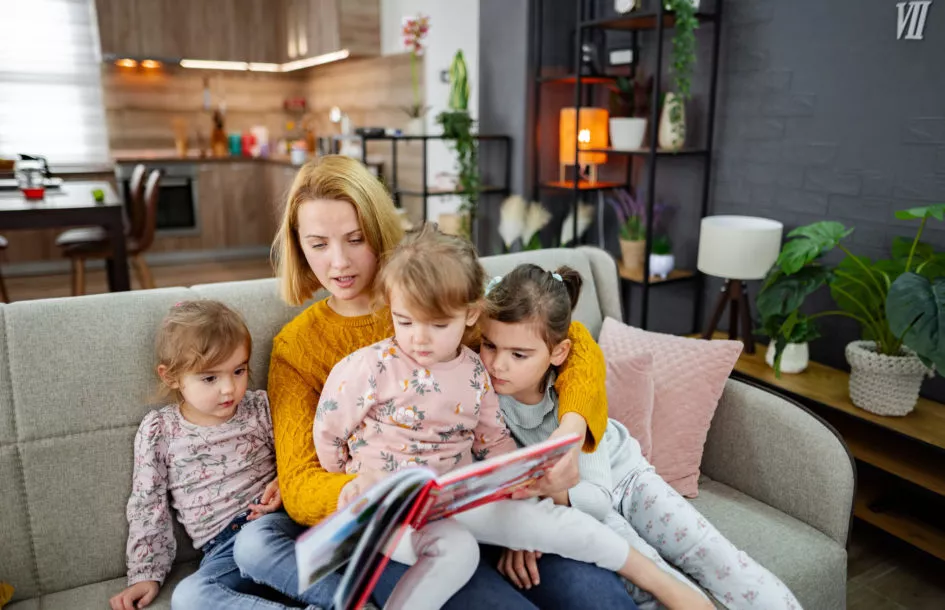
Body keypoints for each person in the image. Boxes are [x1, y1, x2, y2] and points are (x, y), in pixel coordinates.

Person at [233, 155, 640, 609]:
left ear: (379, 230)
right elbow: (301, 483)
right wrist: (366, 489)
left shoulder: (439, 293)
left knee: (606, 601)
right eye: (318, 244)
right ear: (298, 247)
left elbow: (574, 340)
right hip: (397, 524)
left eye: (355, 238)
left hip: (481, 501)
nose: (340, 261)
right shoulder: (297, 347)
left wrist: (570, 430)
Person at [314, 225, 705, 610]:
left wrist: (513, 480)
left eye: (437, 325)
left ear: (471, 315)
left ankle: (662, 584)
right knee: (457, 552)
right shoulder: (369, 368)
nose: (419, 338)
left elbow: (494, 439)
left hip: (460, 497)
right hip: (391, 506)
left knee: (554, 523)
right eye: (405, 321)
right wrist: (351, 478)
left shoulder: (475, 369)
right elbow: (329, 433)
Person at [480, 264, 804, 610]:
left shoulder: (575, 392)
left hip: (625, 479)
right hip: (577, 505)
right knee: (646, 580)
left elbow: (598, 494)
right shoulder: (477, 394)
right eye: (489, 346)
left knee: (709, 551)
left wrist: (549, 492)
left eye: (518, 355)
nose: (498, 365)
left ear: (558, 353)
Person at [109, 301, 332, 610]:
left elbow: (304, 456)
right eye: (210, 378)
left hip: (273, 529)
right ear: (171, 376)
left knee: (254, 546)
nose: (229, 388)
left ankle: (348, 598)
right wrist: (145, 573)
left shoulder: (260, 408)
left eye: (239, 370)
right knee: (188, 598)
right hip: (221, 552)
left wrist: (285, 483)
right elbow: (148, 503)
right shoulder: (159, 430)